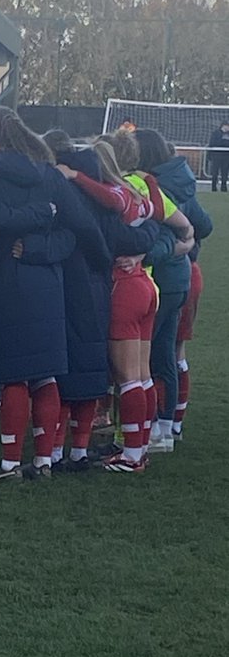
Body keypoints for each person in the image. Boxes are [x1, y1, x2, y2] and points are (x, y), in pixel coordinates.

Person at [62, 136, 193, 472]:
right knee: (143, 376)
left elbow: (109, 198)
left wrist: (77, 178)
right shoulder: (143, 191)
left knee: (128, 378)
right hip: (147, 285)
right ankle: (140, 446)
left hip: (124, 288)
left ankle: (133, 455)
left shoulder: (119, 192)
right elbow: (172, 222)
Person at [0, 107, 70, 482]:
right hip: (47, 281)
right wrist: (41, 236)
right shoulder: (49, 176)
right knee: (45, 374)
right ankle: (43, 461)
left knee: (13, 375)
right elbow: (74, 229)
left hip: (5, 281)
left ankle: (10, 463)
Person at [131, 128, 210, 453]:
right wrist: (189, 245)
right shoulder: (183, 182)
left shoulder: (154, 187)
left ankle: (148, 431)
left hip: (160, 279)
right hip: (180, 279)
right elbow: (204, 226)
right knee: (167, 355)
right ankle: (167, 427)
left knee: (147, 359)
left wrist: (164, 250)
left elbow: (156, 239)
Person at [207, 119, 229, 191]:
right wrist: (209, 155)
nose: (227, 127)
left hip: (226, 156)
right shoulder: (216, 133)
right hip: (216, 156)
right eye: (226, 126)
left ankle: (224, 187)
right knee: (215, 172)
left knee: (225, 172)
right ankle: (213, 187)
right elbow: (212, 144)